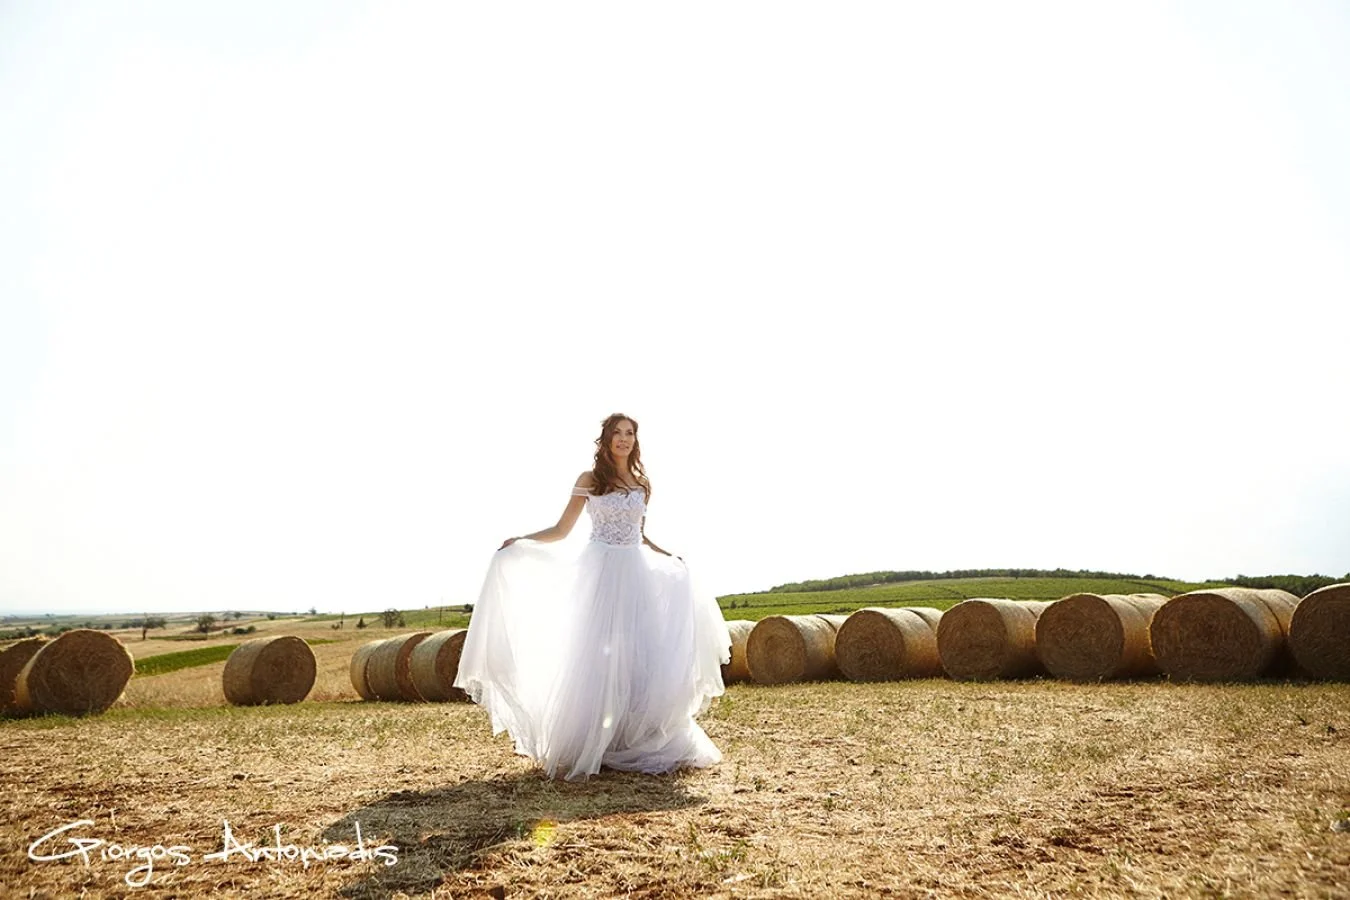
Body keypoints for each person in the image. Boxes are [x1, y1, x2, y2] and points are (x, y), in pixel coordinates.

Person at [454, 413, 732, 781]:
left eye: (630, 433)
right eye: (617, 433)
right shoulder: (590, 480)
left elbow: (640, 535)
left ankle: (636, 738)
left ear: (636, 440)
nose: (624, 439)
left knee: (638, 654)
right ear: (605, 439)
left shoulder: (643, 483)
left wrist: (669, 557)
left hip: (636, 574)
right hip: (599, 573)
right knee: (597, 657)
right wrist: (522, 540)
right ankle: (595, 742)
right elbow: (562, 529)